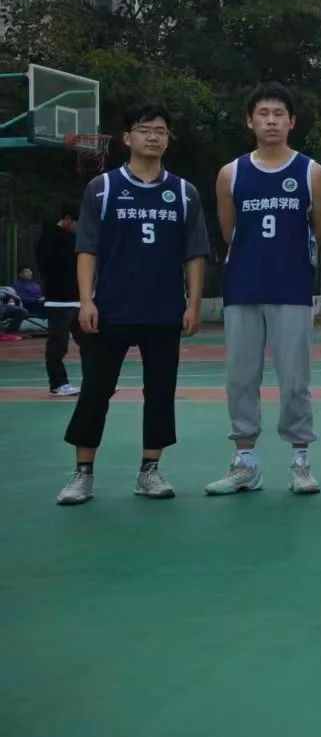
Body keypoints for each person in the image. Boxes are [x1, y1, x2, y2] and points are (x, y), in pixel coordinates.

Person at [55, 101, 210, 505]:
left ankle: (150, 470)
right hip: (111, 309)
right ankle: (82, 473)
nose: (153, 136)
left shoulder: (184, 193)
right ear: (127, 138)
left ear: (168, 140)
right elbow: (87, 248)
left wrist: (193, 304)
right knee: (95, 390)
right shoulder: (103, 188)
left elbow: (195, 254)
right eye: (145, 129)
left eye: (161, 131)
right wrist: (85, 300)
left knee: (160, 392)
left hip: (164, 311)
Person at [206, 83, 321, 496]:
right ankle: (245, 463)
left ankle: (300, 461)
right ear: (250, 121)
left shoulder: (312, 173)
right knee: (241, 377)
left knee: (295, 379)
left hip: (291, 288)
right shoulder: (231, 174)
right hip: (242, 288)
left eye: (279, 114)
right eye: (263, 114)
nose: (271, 121)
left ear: (292, 122)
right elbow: (229, 232)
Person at [36, 206, 82, 396]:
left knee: (91, 343)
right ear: (68, 219)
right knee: (58, 344)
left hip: (78, 300)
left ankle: (98, 381)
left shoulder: (74, 238)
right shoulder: (49, 239)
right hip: (58, 301)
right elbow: (47, 268)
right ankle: (58, 384)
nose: (80, 227)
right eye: (78, 223)